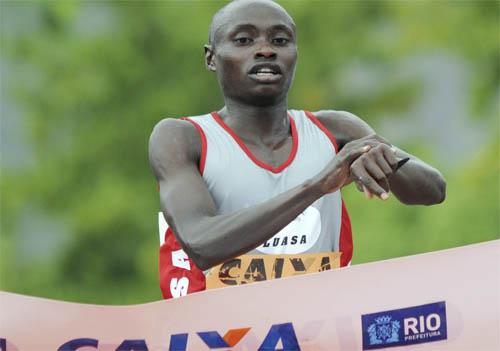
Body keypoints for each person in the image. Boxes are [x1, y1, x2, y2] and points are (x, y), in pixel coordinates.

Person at [148, 0, 446, 299]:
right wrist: (318, 185)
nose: (266, 50)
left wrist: (385, 158)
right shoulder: (182, 137)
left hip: (319, 332)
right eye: (244, 40)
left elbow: (434, 190)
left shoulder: (337, 130)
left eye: (280, 40)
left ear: (295, 55)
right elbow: (202, 244)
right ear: (211, 57)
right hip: (216, 338)